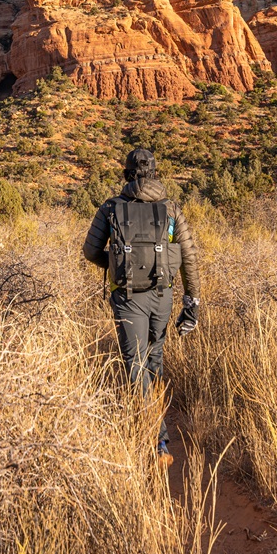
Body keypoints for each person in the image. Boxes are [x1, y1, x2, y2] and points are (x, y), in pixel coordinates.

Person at [82, 147, 200, 461]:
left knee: (135, 364)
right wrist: (193, 303)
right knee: (153, 362)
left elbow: (90, 251)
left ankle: (156, 441)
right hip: (163, 294)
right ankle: (157, 434)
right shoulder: (171, 208)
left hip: (127, 296)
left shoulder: (111, 207)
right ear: (155, 172)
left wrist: (119, 262)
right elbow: (188, 257)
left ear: (127, 172)